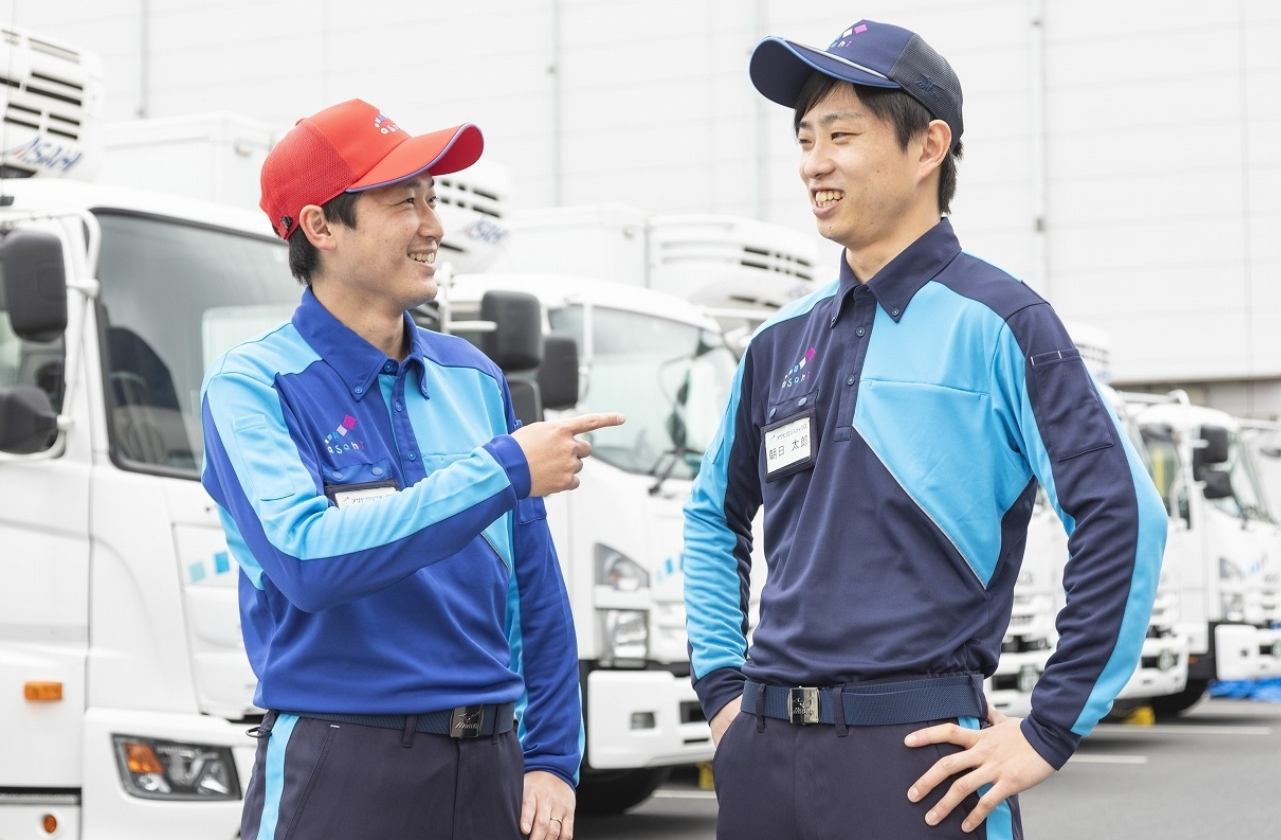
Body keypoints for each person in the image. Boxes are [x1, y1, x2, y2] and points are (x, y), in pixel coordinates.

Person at [683, 19, 1168, 839]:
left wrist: (1048, 728)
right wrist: (725, 693)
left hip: (918, 764)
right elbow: (710, 517)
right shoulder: (777, 341)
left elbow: (1124, 517)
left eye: (841, 135)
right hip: (763, 758)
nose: (813, 162)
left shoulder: (1004, 322)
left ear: (928, 147)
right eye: (805, 138)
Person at [201, 98, 622, 840]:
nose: (434, 225)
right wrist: (500, 470)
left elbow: (533, 587)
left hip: (491, 767)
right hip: (340, 763)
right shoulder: (251, 386)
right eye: (405, 202)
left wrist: (553, 756)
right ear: (320, 226)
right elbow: (306, 560)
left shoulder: (474, 377)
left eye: (432, 198)